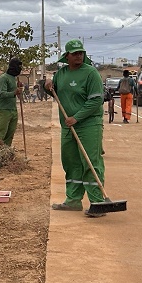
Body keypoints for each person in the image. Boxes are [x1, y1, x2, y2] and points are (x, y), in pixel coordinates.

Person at [44, 39, 106, 218]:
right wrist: (47, 85)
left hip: (89, 124)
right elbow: (54, 91)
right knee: (71, 162)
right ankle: (73, 200)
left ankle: (97, 202)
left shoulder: (91, 73)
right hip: (68, 126)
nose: (79, 56)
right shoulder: (61, 74)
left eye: (81, 53)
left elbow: (96, 100)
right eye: (75, 53)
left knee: (90, 162)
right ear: (67, 56)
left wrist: (76, 118)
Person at [0, 57, 24, 146]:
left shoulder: (14, 78)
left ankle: (6, 151)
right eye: (19, 66)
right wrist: (14, 92)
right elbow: (2, 93)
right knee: (0, 134)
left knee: (10, 134)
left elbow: (17, 94)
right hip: (3, 110)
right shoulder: (3, 78)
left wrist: (19, 89)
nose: (20, 69)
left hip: (13, 109)